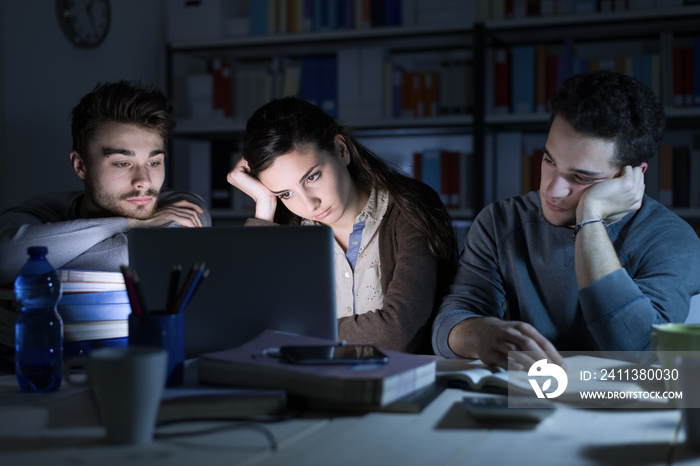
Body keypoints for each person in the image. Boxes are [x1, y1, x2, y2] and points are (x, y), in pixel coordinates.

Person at [432, 70, 700, 369]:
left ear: (631, 176)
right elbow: (450, 323)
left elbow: (637, 349)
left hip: (618, 406)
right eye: (549, 161)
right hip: (524, 398)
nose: (552, 189)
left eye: (582, 177)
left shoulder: (672, 240)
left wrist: (590, 218)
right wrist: (476, 335)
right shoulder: (500, 221)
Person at [227, 96, 458, 353]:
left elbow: (395, 332)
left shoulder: (408, 209)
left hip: (399, 385)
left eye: (312, 177)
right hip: (317, 384)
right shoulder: (290, 229)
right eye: (286, 194)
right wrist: (265, 204)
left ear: (341, 150)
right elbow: (245, 323)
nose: (310, 204)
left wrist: (291, 332)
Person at [0, 80, 211, 284]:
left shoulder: (182, 205)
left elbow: (146, 256)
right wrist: (130, 223)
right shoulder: (37, 212)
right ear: (81, 166)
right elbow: (4, 259)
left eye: (154, 162)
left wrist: (31, 267)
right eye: (122, 163)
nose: (144, 182)